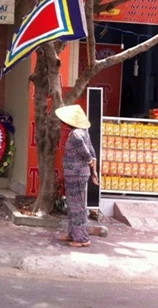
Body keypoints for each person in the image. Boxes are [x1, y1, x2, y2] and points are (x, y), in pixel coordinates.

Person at [55, 104, 99, 248]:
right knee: (73, 205)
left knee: (77, 206)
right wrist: (93, 167)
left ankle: (81, 238)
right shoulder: (84, 132)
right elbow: (92, 151)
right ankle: (73, 234)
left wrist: (89, 161)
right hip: (77, 174)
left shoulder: (76, 135)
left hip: (76, 174)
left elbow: (86, 152)